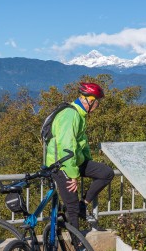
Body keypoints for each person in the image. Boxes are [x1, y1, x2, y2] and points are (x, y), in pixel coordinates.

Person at [45, 82, 114, 233]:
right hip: (60, 165)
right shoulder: (71, 115)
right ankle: (77, 248)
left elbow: (81, 143)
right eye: (97, 102)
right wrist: (73, 175)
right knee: (72, 207)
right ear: (90, 101)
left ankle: (84, 204)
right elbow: (67, 146)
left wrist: (87, 160)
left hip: (74, 161)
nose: (98, 106)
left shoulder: (80, 115)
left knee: (106, 173)